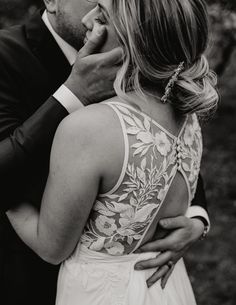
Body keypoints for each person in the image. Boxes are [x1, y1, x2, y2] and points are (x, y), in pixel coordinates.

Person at [1, 0, 211, 304]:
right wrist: (73, 94)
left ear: (134, 32)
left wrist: (197, 220)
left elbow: (167, 159)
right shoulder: (185, 110)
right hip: (25, 280)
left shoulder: (101, 118)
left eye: (103, 10)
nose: (90, 19)